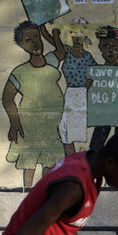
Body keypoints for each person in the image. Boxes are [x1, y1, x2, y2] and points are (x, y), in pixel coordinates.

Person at [2, 21, 66, 188]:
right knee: (29, 162)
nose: (35, 42)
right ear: (23, 45)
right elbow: (7, 98)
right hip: (29, 124)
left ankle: (45, 195)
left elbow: (61, 51)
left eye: (36, 36)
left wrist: (50, 34)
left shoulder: (51, 61)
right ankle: (27, 194)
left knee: (50, 162)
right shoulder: (20, 71)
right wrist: (14, 123)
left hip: (51, 125)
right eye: (29, 40)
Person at [41, 17, 99, 156]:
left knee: (77, 131)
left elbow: (96, 74)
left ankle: (80, 160)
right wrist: (44, 24)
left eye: (81, 33)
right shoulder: (66, 51)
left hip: (83, 95)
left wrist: (87, 86)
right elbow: (49, 38)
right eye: (74, 32)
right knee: (65, 131)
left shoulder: (87, 56)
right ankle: (71, 159)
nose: (77, 37)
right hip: (70, 94)